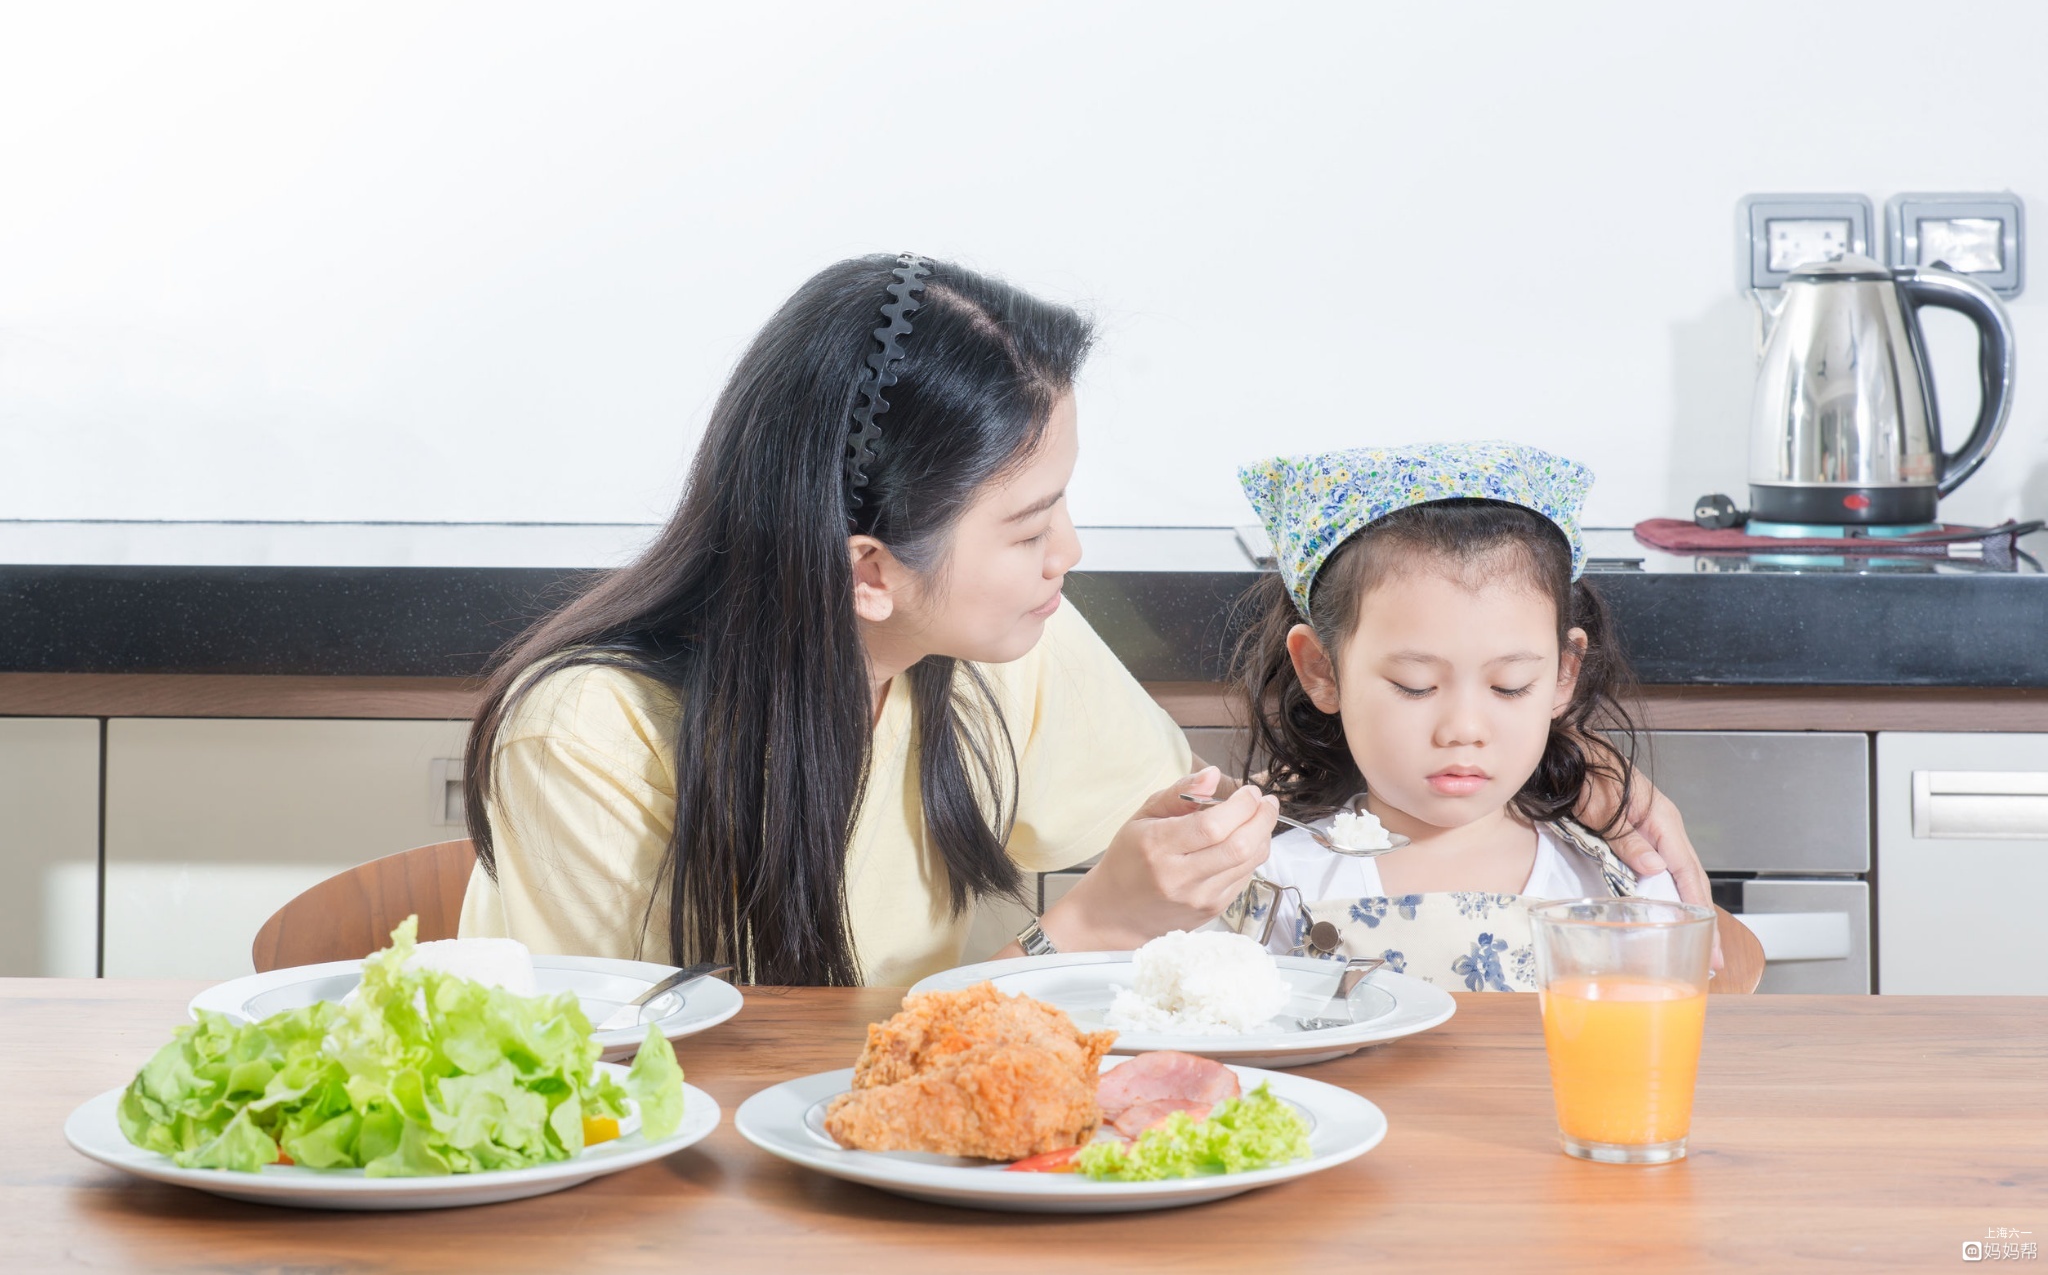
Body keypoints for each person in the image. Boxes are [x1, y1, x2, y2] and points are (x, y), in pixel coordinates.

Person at [457, 254, 1709, 986]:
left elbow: (1235, 838)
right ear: (866, 569)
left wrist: (1548, 777)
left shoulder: (1004, 645)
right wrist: (1089, 928)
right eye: (1025, 524)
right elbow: (654, 1089)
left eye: (1064, 502)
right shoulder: (587, 735)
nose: (1069, 553)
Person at [1224, 441, 1686, 991]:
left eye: (1509, 687)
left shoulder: (1623, 884)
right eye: (1415, 686)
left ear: (1564, 673)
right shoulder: (1274, 881)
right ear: (1321, 670)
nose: (1464, 729)